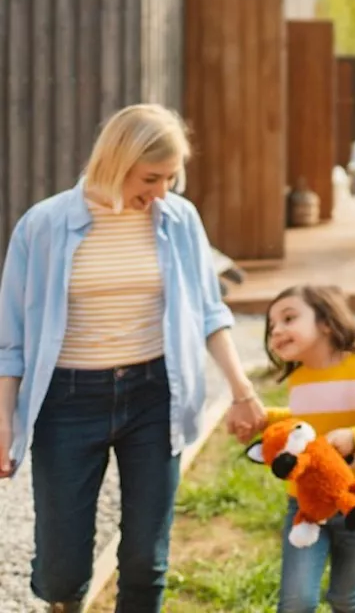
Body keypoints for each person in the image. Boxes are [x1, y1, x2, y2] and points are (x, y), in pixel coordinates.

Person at [0, 104, 267, 613]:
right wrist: (4, 423)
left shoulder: (178, 220)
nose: (162, 191)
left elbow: (211, 311)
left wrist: (242, 391)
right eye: (151, 177)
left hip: (154, 395)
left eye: (171, 176)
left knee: (146, 560)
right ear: (115, 161)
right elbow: (9, 341)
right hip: (68, 402)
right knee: (60, 573)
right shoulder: (44, 226)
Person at [259, 285, 355, 613]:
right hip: (304, 504)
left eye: (288, 318)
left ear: (326, 322)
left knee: (346, 598)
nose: (277, 330)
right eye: (272, 325)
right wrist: (264, 419)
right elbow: (306, 422)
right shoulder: (299, 378)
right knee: (296, 601)